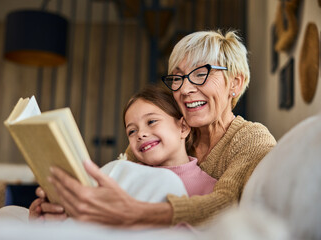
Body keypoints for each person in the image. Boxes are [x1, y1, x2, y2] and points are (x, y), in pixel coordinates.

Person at [29, 30, 276, 227]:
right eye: (178, 78)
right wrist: (67, 206)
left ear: (235, 82)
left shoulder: (251, 138)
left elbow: (226, 203)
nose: (185, 89)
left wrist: (139, 213)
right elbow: (116, 184)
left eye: (201, 73)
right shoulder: (166, 130)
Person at [29, 86, 217, 220]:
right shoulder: (126, 174)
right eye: (131, 131)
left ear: (183, 127)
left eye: (151, 122)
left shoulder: (208, 188)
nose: (141, 134)